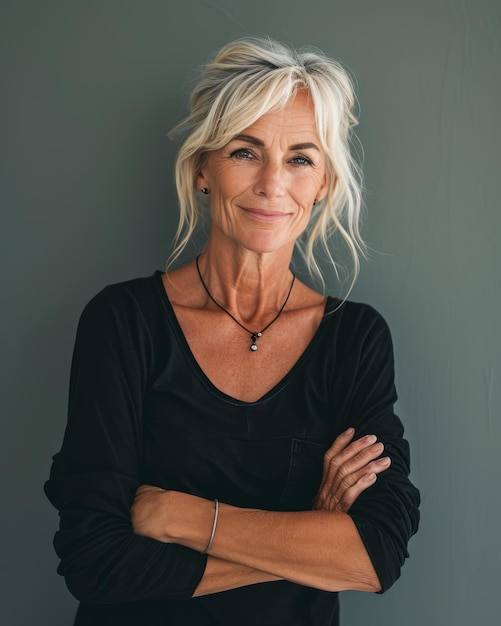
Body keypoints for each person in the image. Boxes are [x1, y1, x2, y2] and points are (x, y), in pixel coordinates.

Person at [45, 37, 420, 625]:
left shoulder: (355, 340)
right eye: (246, 152)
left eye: (300, 158)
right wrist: (311, 535)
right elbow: (95, 561)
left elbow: (376, 556)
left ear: (323, 183)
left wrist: (180, 517)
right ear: (202, 169)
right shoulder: (123, 322)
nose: (273, 183)